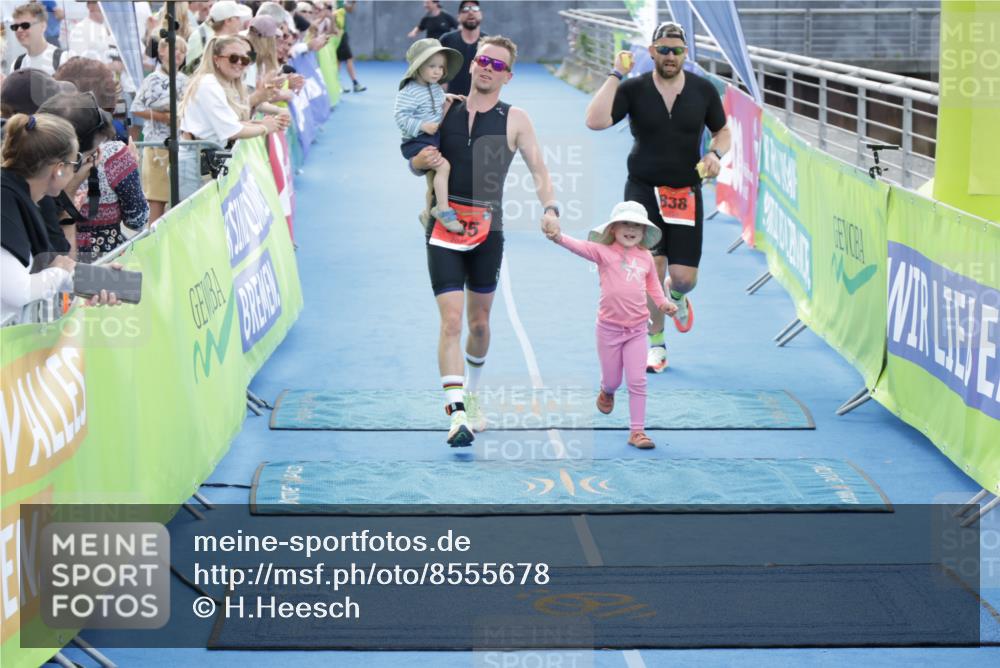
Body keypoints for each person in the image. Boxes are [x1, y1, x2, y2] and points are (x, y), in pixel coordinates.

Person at [409, 35, 559, 446]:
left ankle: (471, 395)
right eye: (483, 62)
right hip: (443, 224)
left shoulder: (516, 119)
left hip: (488, 231)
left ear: (508, 76)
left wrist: (550, 208)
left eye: (498, 66)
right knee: (452, 320)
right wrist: (418, 161)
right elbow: (415, 159)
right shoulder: (443, 107)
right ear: (472, 64)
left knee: (479, 323)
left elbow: (539, 169)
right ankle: (456, 413)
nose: (488, 69)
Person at [584, 21, 730, 373]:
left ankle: (676, 297)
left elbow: (722, 131)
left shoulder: (703, 90)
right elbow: (595, 121)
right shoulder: (634, 89)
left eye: (676, 51)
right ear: (651, 52)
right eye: (663, 49)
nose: (670, 56)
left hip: (685, 191)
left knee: (683, 279)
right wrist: (615, 74)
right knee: (647, 269)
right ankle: (657, 344)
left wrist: (715, 155)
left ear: (685, 54)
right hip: (642, 188)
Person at [542, 202, 676, 449]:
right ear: (613, 229)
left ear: (644, 233)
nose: (631, 229)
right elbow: (580, 247)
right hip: (608, 330)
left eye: (637, 226)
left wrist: (663, 303)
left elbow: (653, 286)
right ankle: (607, 390)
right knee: (614, 379)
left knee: (637, 381)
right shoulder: (603, 252)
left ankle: (637, 431)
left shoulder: (646, 257)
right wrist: (558, 237)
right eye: (626, 224)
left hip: (636, 330)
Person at [1, 112, 119, 321]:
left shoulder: (19, 196)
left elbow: (47, 269)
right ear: (59, 170)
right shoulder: (6, 204)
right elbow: (18, 291)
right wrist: (59, 273)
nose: (78, 170)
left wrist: (97, 279)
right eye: (76, 163)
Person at [54, 58, 148, 261]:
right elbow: (138, 219)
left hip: (53, 259)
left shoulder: (43, 151)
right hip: (107, 263)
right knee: (132, 287)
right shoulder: (115, 154)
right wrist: (130, 166)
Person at [178, 34, 288, 199]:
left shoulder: (221, 83)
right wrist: (265, 127)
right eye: (233, 58)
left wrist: (265, 123)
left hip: (205, 159)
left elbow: (234, 123)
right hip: (194, 163)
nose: (239, 63)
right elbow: (231, 130)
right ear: (216, 59)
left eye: (244, 60)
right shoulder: (209, 84)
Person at [395, 38, 463, 233]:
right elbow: (400, 117)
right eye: (432, 66)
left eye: (441, 67)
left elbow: (437, 98)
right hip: (416, 140)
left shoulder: (434, 87)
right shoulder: (409, 91)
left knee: (434, 180)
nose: (438, 71)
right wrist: (422, 126)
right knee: (444, 166)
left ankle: (427, 213)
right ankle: (443, 210)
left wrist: (448, 97)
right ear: (418, 67)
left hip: (432, 137)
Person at [131, 36, 190, 223]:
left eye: (183, 50)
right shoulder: (154, 79)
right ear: (162, 53)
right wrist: (163, 117)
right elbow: (137, 108)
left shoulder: (185, 80)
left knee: (178, 197)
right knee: (157, 198)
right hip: (157, 144)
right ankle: (153, 240)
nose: (179, 54)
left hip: (180, 144)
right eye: (175, 49)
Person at [439, 0, 484, 97]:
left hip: (478, 101)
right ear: (458, 17)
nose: (470, 12)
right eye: (465, 9)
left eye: (475, 9)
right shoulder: (446, 40)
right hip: (450, 101)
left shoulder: (488, 43)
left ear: (481, 14)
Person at [9, 1, 69, 74]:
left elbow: (60, 14)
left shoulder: (62, 59)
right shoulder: (17, 65)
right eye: (15, 27)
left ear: (42, 26)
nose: (19, 30)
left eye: (25, 25)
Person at [335, 0, 365, 92]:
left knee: (339, 60)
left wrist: (353, 2)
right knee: (347, 58)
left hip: (342, 33)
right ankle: (354, 83)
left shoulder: (342, 2)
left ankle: (338, 84)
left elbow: (350, 9)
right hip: (336, 34)